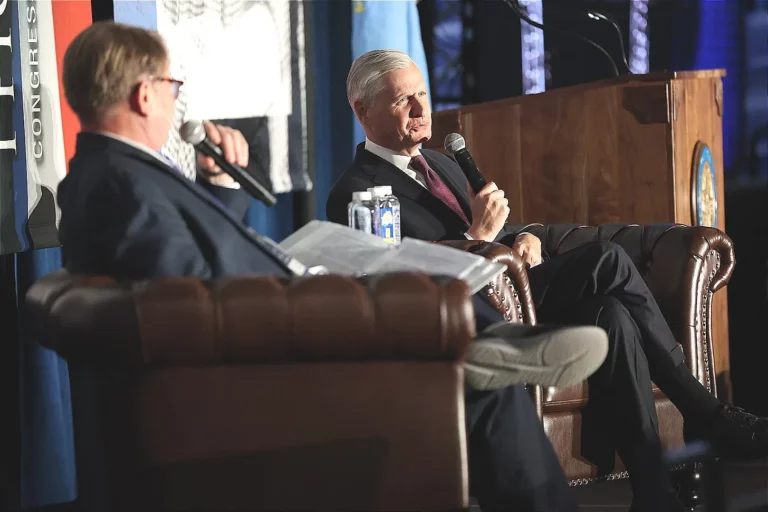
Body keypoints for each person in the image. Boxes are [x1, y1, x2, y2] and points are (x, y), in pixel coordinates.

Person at [57, 22, 611, 512]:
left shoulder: (115, 175)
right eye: (173, 87)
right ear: (144, 94)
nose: (176, 101)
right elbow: (186, 302)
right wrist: (302, 299)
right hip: (280, 347)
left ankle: (487, 342)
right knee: (465, 363)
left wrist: (220, 189)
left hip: (278, 316)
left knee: (477, 373)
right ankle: (485, 342)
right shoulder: (120, 186)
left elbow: (187, 267)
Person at [327, 49, 768, 511]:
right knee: (610, 261)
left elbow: (498, 230)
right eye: (404, 101)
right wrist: (477, 236)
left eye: (422, 94)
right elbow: (397, 283)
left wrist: (527, 238)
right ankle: (706, 413)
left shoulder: (445, 164)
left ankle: (654, 491)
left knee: (612, 316)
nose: (421, 110)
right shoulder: (354, 194)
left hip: (519, 289)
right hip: (475, 313)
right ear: (363, 110)